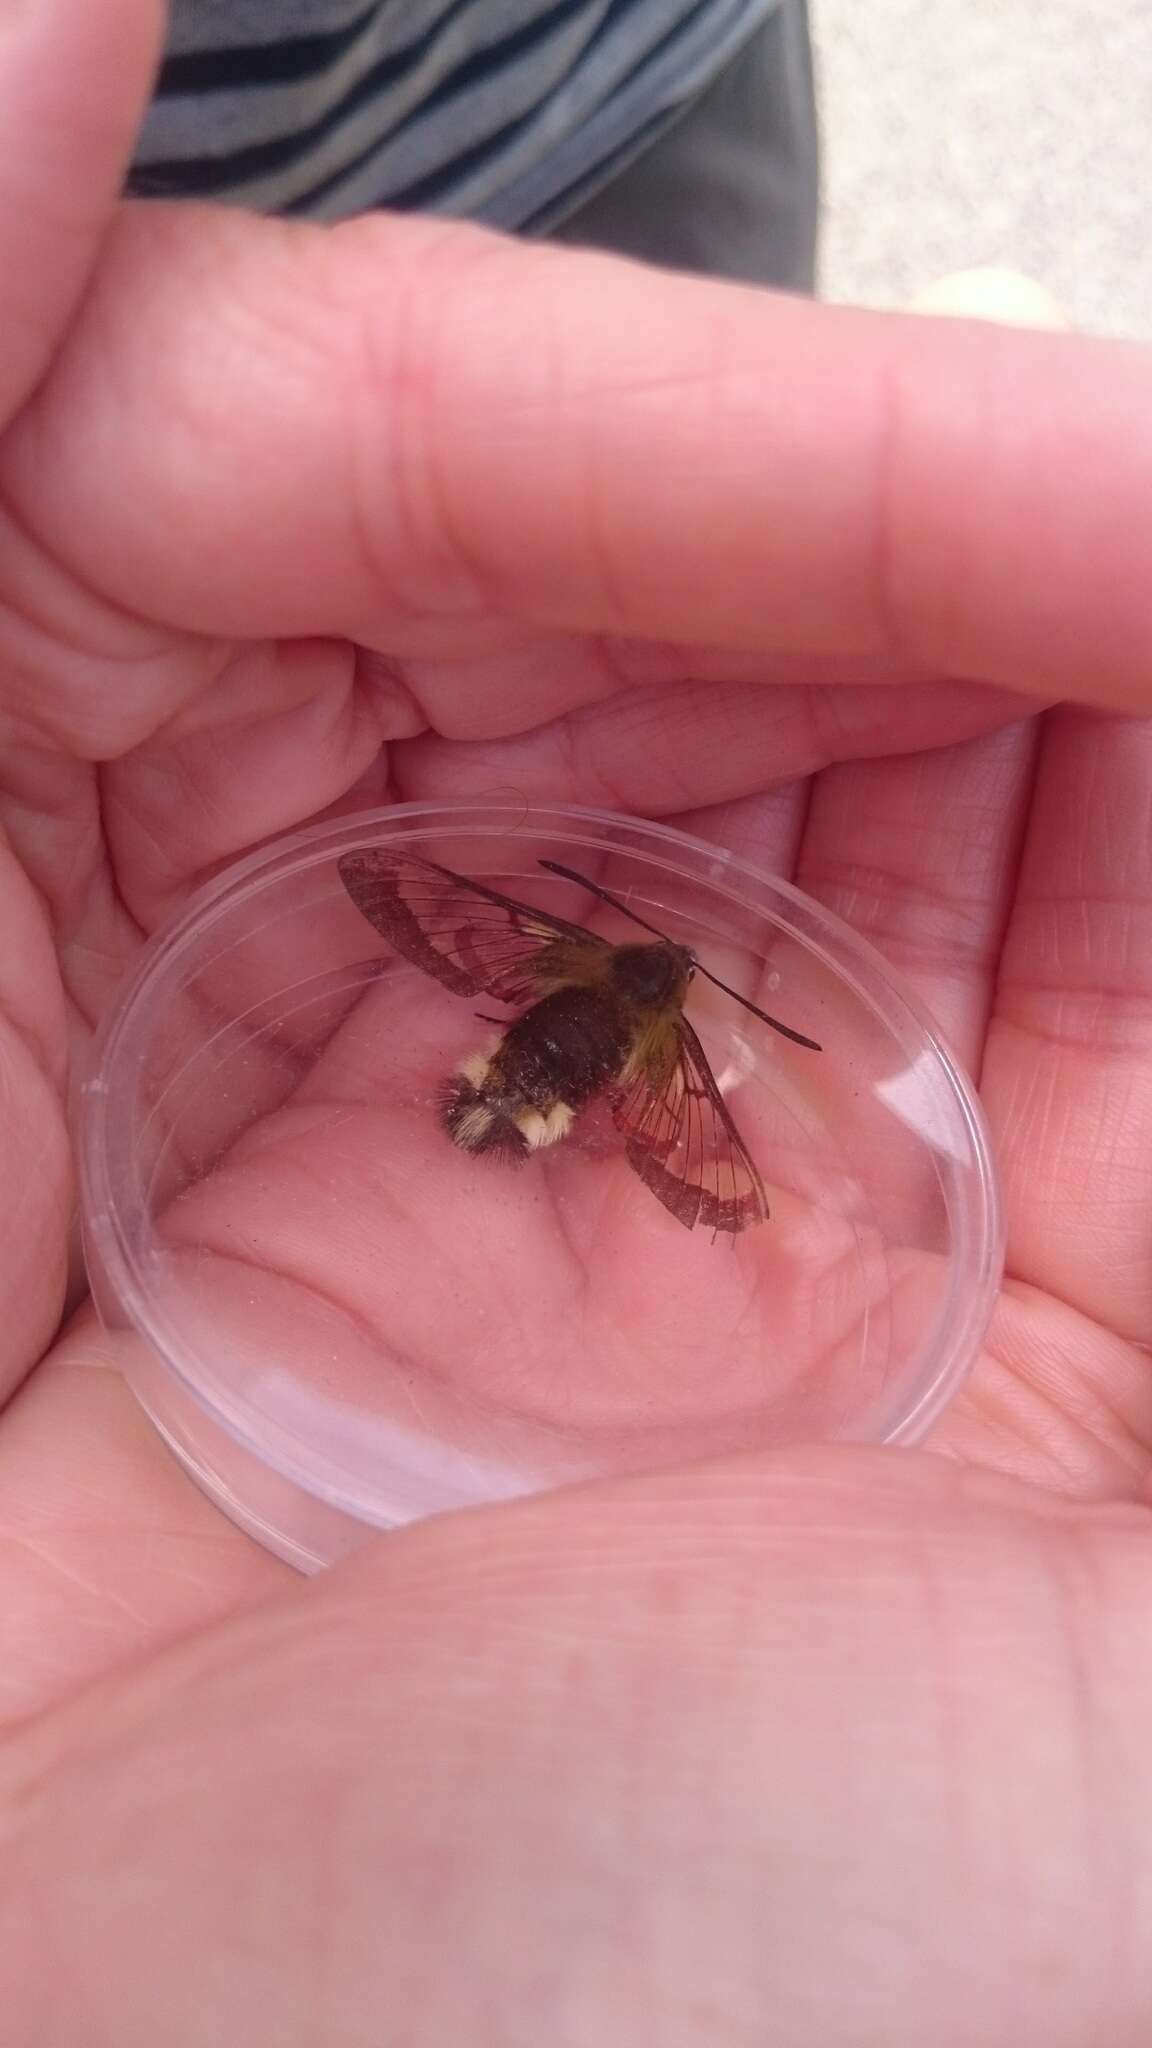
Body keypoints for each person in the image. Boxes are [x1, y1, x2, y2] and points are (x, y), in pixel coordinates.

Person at [2, 0, 1152, 2040]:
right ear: (640, 1018)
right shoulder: (665, 1051)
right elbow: (636, 1068)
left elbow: (464, 925)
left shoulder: (529, 955)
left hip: (606, 79)